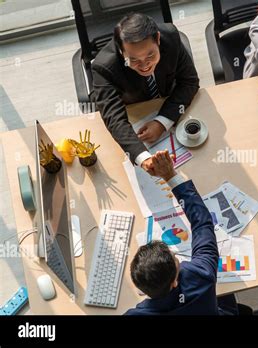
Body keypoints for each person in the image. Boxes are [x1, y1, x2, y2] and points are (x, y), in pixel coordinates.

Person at [125, 150, 239, 315]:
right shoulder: (200, 276)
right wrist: (170, 176)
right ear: (175, 283)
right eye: (175, 259)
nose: (177, 258)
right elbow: (202, 223)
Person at [91, 13, 199, 176]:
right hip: (133, 110)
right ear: (121, 51)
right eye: (134, 60)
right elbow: (115, 120)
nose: (145, 66)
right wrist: (143, 158)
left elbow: (189, 82)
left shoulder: (171, 37)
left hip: (166, 101)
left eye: (150, 55)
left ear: (158, 38)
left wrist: (162, 122)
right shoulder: (103, 67)